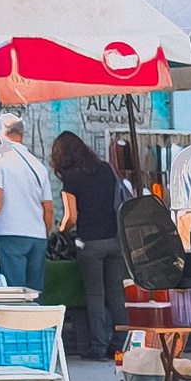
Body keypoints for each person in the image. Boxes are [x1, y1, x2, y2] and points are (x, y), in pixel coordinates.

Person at [48, 128, 128, 362]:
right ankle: (122, 344)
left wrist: (60, 230)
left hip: (89, 244)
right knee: (116, 295)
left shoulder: (71, 179)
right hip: (115, 241)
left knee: (95, 295)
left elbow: (71, 217)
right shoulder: (105, 169)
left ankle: (98, 346)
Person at [0, 112, 54, 291]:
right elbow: (48, 208)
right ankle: (37, 319)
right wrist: (44, 234)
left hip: (11, 234)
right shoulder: (38, 165)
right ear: (21, 134)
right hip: (37, 237)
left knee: (13, 293)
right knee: (34, 293)